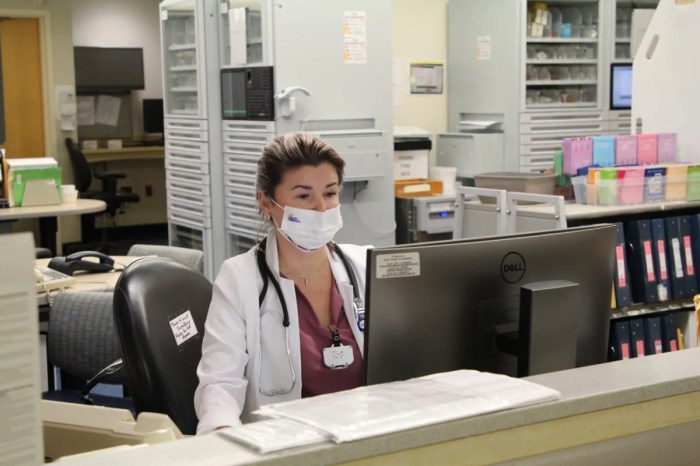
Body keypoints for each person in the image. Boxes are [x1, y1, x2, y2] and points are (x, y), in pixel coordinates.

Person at [194, 132, 369, 434]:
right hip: (285, 447)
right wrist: (220, 436)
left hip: (372, 438)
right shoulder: (240, 279)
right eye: (304, 196)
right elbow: (220, 383)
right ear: (267, 203)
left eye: (330, 193)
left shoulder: (366, 266)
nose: (321, 209)